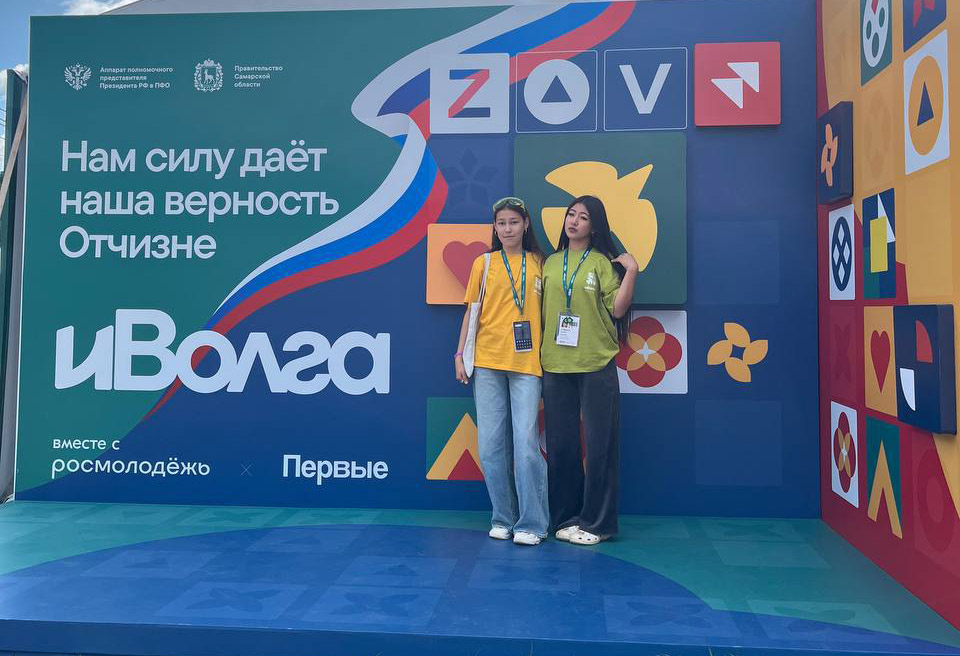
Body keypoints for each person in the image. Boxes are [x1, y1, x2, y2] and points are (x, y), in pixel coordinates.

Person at [540, 195, 638, 545]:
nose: (574, 221)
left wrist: (631, 271)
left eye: (583, 217)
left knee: (600, 447)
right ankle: (566, 518)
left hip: (596, 362)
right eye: (571, 214)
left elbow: (618, 309)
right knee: (561, 446)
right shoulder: (550, 263)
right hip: (555, 364)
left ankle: (597, 524)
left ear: (594, 226)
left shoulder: (601, 263)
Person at [455, 197, 549, 546]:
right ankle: (502, 518)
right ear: (494, 228)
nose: (507, 229)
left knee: (525, 445)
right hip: (487, 363)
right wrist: (460, 354)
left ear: (526, 224)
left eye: (513, 222)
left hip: (527, 365)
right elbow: (471, 312)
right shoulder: (483, 263)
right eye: (501, 223)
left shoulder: (540, 263)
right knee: (491, 447)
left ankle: (533, 523)